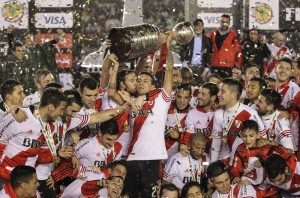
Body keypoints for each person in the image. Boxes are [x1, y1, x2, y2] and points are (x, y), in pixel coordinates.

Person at [124, 32, 174, 197]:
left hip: (153, 158)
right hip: (131, 157)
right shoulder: (130, 100)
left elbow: (169, 70)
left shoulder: (161, 97)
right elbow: (133, 74)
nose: (141, 83)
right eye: (139, 81)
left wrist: (168, 44)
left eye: (146, 81)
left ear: (153, 86)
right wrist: (145, 53)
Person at [60, 119, 122, 197]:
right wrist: (73, 156)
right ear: (100, 133)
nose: (111, 143)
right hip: (82, 182)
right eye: (108, 139)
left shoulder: (118, 147)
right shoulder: (88, 144)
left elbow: (115, 170)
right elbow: (69, 156)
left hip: (102, 186)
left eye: (114, 139)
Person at [210, 78, 265, 165]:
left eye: (222, 91)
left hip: (248, 163)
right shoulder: (218, 114)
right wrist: (212, 165)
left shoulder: (250, 113)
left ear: (233, 94)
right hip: (228, 161)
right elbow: (216, 142)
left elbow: (263, 140)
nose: (218, 94)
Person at [181, 82, 219, 155]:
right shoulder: (192, 113)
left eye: (203, 94)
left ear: (213, 98)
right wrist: (183, 145)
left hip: (215, 155)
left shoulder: (218, 114)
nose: (199, 96)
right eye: (199, 93)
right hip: (197, 155)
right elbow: (188, 135)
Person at [274, 58, 300, 152]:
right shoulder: (271, 88)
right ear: (275, 69)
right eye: (281, 67)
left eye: (287, 68)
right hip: (274, 138)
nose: (283, 71)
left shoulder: (294, 89)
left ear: (291, 73)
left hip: (292, 141)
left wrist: (290, 114)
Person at [179, 18, 212, 85]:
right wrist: (184, 63)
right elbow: (182, 51)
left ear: (203, 27)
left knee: (200, 87)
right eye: (197, 25)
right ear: (194, 27)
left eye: (201, 26)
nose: (199, 27)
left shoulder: (207, 40)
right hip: (189, 66)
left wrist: (206, 70)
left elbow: (209, 55)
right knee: (187, 85)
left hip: (201, 67)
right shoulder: (189, 38)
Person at [165, 83, 192, 159]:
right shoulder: (165, 107)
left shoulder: (193, 113)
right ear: (174, 96)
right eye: (179, 97)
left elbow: (193, 137)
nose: (182, 101)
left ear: (190, 98)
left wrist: (179, 136)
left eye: (186, 98)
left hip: (179, 156)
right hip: (160, 152)